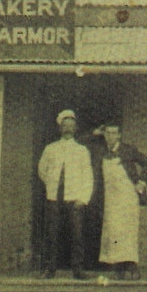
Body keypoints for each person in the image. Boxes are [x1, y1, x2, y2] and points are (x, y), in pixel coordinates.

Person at [91, 122, 147, 280]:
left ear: (119, 135)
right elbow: (81, 141)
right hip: (110, 198)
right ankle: (118, 268)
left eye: (114, 133)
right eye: (108, 133)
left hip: (127, 196)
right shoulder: (100, 151)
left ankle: (132, 267)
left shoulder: (128, 149)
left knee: (128, 231)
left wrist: (142, 182)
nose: (111, 136)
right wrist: (94, 133)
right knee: (113, 230)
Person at [38, 110, 94, 279]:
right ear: (60, 128)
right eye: (65, 126)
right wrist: (52, 184)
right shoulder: (51, 148)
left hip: (74, 197)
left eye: (71, 125)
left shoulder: (81, 150)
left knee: (76, 234)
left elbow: (88, 176)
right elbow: (42, 170)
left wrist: (83, 198)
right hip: (54, 197)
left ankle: (77, 269)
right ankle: (50, 268)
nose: (68, 128)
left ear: (76, 128)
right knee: (52, 233)